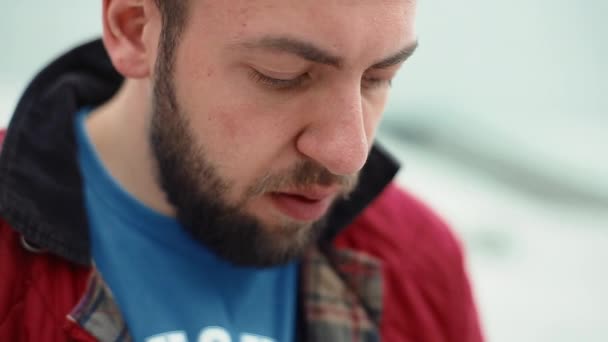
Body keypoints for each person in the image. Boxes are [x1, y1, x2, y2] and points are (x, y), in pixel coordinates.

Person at [0, 1, 484, 341]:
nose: (349, 154)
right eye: (284, 76)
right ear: (134, 29)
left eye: (379, 78)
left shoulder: (420, 261)